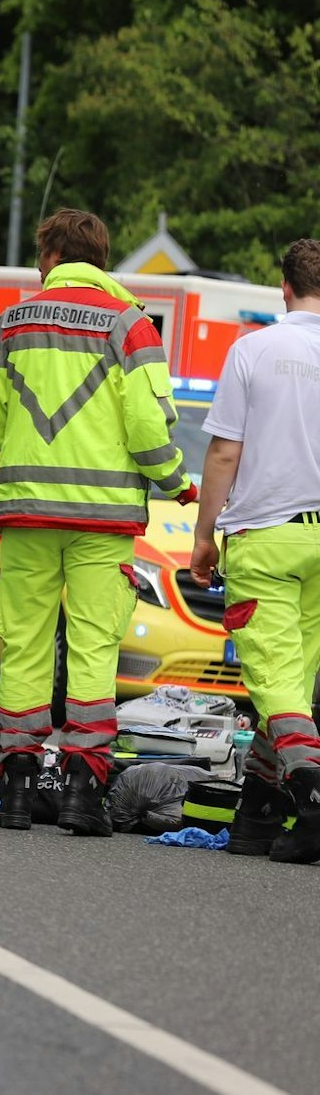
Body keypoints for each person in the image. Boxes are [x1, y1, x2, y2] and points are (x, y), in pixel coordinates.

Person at [0, 209, 195, 836]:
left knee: (23, 645)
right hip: (103, 520)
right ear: (102, 257)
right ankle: (81, 796)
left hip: (25, 509)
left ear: (50, 256)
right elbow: (146, 424)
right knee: (94, 650)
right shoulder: (131, 324)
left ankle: (17, 793)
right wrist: (175, 482)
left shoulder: (10, 322)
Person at [189, 239, 320, 863]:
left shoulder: (255, 350)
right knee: (291, 687)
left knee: (274, 682)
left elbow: (223, 452)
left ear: (283, 287)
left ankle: (312, 796)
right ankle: (259, 813)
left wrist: (203, 535)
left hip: (266, 536)